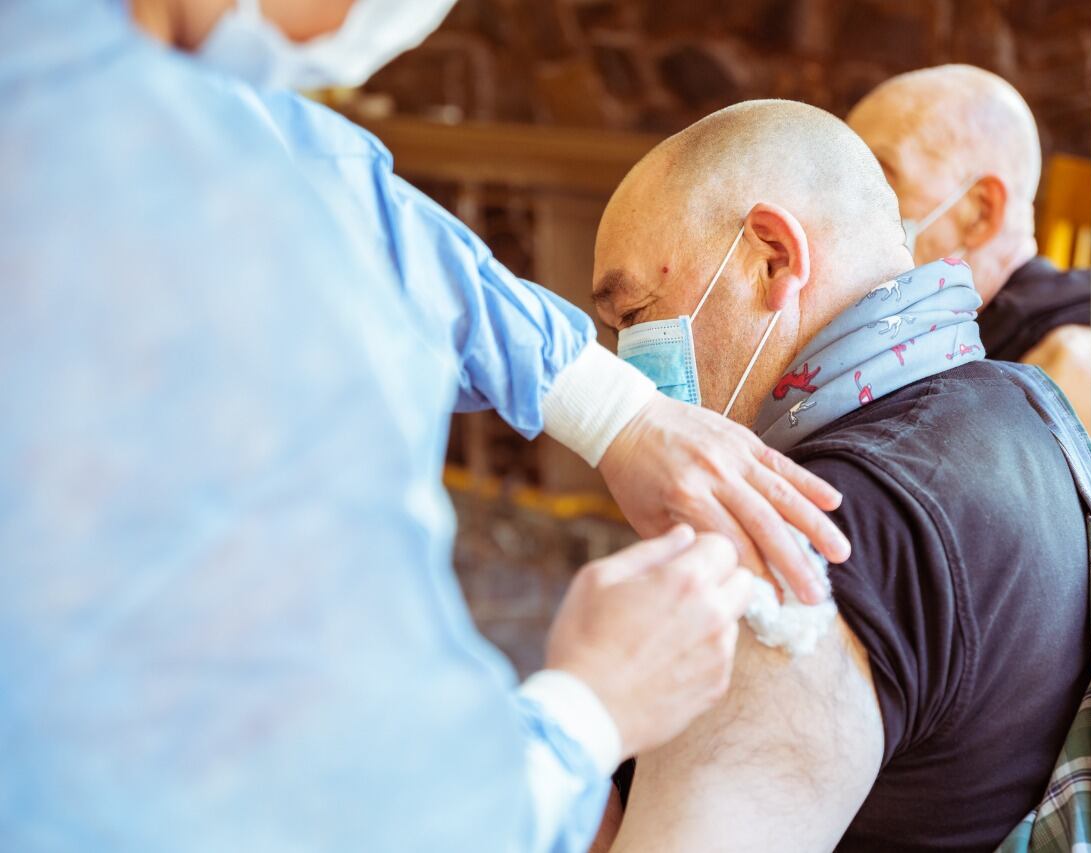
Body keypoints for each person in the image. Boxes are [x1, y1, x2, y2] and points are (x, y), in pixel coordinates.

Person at [0, 2, 852, 851]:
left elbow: (335, 188)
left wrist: (613, 407)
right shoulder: (206, 272)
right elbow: (386, 808)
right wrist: (589, 712)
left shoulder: (93, 76)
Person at [588, 100, 1091, 852]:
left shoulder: (810, 531)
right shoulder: (1022, 407)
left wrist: (577, 715)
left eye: (635, 313)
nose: (627, 359)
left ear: (773, 255)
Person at [846, 64, 1091, 433]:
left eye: (878, 182)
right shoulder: (920, 338)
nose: (845, 211)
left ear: (980, 212)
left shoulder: (1069, 365)